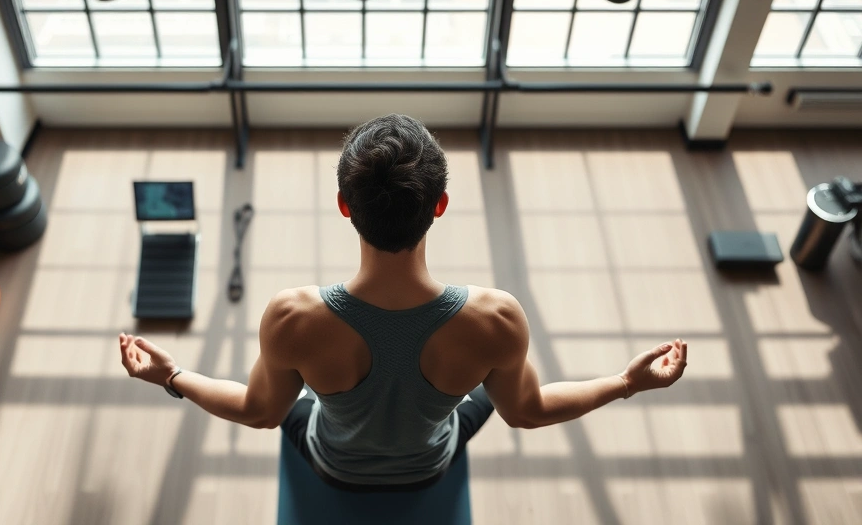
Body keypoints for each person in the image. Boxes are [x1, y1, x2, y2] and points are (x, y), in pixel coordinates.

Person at [119, 114, 688, 491]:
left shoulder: (292, 316)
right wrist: (627, 381)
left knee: (288, 396)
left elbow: (260, 413)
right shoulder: (496, 318)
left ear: (345, 206)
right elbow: (528, 412)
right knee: (496, 385)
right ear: (439, 206)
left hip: (335, 464)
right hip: (427, 467)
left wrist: (173, 375)